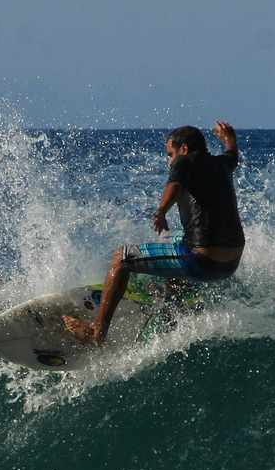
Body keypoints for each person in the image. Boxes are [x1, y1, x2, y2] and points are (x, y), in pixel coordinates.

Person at [64, 121, 244, 345]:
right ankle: (172, 304)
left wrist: (161, 210)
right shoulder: (223, 163)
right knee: (168, 238)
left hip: (203, 260)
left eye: (171, 154)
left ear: (184, 149)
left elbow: (175, 185)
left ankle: (96, 333)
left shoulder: (185, 160)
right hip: (231, 262)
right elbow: (232, 153)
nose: (170, 161)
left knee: (121, 258)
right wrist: (229, 140)